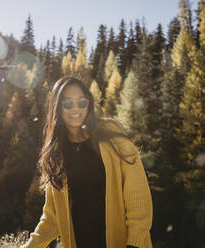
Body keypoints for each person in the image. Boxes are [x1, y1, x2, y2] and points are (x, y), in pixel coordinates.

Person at [21, 76, 153, 248]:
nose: (76, 109)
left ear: (88, 104)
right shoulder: (57, 153)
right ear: (57, 107)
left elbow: (138, 196)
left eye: (81, 102)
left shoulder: (111, 135)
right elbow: (52, 217)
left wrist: (135, 243)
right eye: (68, 103)